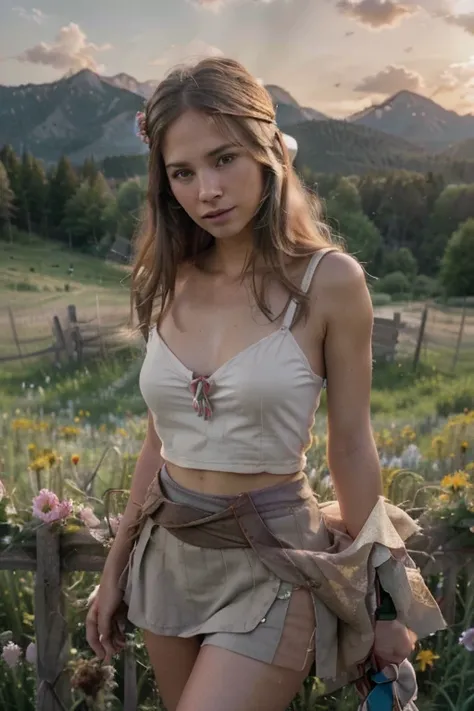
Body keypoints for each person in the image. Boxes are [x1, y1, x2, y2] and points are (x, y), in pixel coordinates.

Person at [86, 57, 445, 711]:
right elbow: (157, 444)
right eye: (183, 172)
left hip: (272, 564)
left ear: (268, 152)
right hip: (166, 558)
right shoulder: (165, 281)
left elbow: (352, 448)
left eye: (224, 159)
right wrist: (114, 571)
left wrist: (384, 596)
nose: (207, 191)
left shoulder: (330, 283)